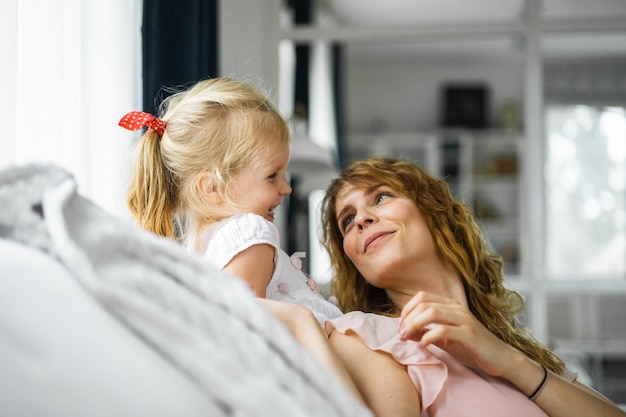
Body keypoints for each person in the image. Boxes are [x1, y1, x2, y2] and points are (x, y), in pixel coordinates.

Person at [319, 156, 626, 417]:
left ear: (434, 212)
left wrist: (511, 362)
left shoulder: (512, 349)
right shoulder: (361, 337)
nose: (361, 219)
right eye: (347, 220)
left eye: (382, 197)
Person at [119, 77, 359, 403]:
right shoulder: (250, 231)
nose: (286, 188)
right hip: (330, 359)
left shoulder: (194, 246)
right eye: (272, 175)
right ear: (213, 188)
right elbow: (246, 322)